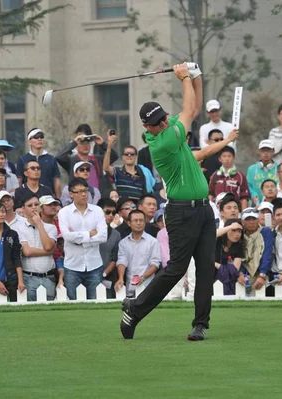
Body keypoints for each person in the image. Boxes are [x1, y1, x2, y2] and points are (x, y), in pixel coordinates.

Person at [121, 62, 217, 342]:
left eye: (164, 118)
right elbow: (187, 111)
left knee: (205, 268)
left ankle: (200, 324)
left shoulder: (170, 127)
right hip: (180, 213)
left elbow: (194, 110)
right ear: (147, 127)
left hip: (203, 210)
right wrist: (184, 76)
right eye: (158, 122)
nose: (164, 122)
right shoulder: (161, 143)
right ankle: (135, 310)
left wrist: (196, 77)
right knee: (176, 268)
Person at [58, 178, 107, 300]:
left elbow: (103, 236)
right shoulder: (64, 212)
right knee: (73, 301)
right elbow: (67, 236)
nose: (84, 194)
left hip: (94, 264)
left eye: (85, 191)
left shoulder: (97, 211)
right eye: (79, 192)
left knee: (96, 301)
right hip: (72, 264)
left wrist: (78, 237)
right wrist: (90, 234)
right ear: (71, 194)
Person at [16, 194, 60, 301]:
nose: (34, 207)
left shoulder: (51, 228)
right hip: (29, 276)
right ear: (23, 209)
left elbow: (49, 246)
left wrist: (39, 224)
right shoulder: (19, 228)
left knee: (49, 310)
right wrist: (47, 252)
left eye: (36, 204)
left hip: (48, 276)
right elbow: (27, 252)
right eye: (30, 205)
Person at [56, 124, 117, 191]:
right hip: (78, 196)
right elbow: (59, 157)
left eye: (87, 143)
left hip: (97, 197)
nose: (85, 146)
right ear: (76, 146)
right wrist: (74, 142)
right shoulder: (72, 161)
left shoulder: (96, 160)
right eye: (82, 143)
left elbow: (113, 157)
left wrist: (102, 144)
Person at [114, 209, 161, 297]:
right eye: (135, 220)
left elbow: (155, 264)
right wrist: (120, 278)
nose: (138, 223)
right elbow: (122, 261)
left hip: (148, 285)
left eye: (141, 220)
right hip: (130, 285)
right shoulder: (123, 243)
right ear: (129, 223)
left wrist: (143, 277)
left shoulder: (153, 242)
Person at [103, 137, 153, 201]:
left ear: (136, 157)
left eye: (132, 154)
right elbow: (106, 168)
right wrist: (109, 146)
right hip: (122, 208)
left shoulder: (143, 173)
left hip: (137, 209)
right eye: (126, 154)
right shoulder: (118, 171)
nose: (129, 155)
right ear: (123, 157)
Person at [17, 128, 61, 198]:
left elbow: (56, 179)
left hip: (48, 196)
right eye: (36, 137)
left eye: (41, 137)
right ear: (29, 142)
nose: (39, 139)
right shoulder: (23, 159)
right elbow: (19, 179)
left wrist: (58, 198)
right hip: (28, 197)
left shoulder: (51, 159)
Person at [240, 207, 274, 291]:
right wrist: (240, 273)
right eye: (248, 219)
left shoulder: (265, 231)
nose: (251, 222)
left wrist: (262, 274)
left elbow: (267, 253)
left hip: (261, 273)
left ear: (258, 219)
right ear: (242, 221)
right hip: (244, 275)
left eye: (254, 218)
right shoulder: (239, 233)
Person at [98, 198, 122, 299]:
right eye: (107, 212)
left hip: (107, 275)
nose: (111, 215)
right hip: (86, 273)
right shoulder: (89, 230)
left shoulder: (116, 234)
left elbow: (114, 258)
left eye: (114, 212)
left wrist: (104, 274)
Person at [214, 219, 244, 295]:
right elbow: (211, 234)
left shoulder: (239, 246)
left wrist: (217, 265)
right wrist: (230, 227)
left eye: (239, 231)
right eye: (234, 230)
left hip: (227, 279)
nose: (237, 234)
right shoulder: (218, 240)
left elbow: (234, 270)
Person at [246, 139, 277, 205]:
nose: (265, 153)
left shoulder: (279, 169)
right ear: (259, 152)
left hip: (275, 205)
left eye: (268, 150)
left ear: (273, 151)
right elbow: (248, 185)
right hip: (256, 206)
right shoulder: (252, 169)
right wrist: (253, 194)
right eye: (263, 150)